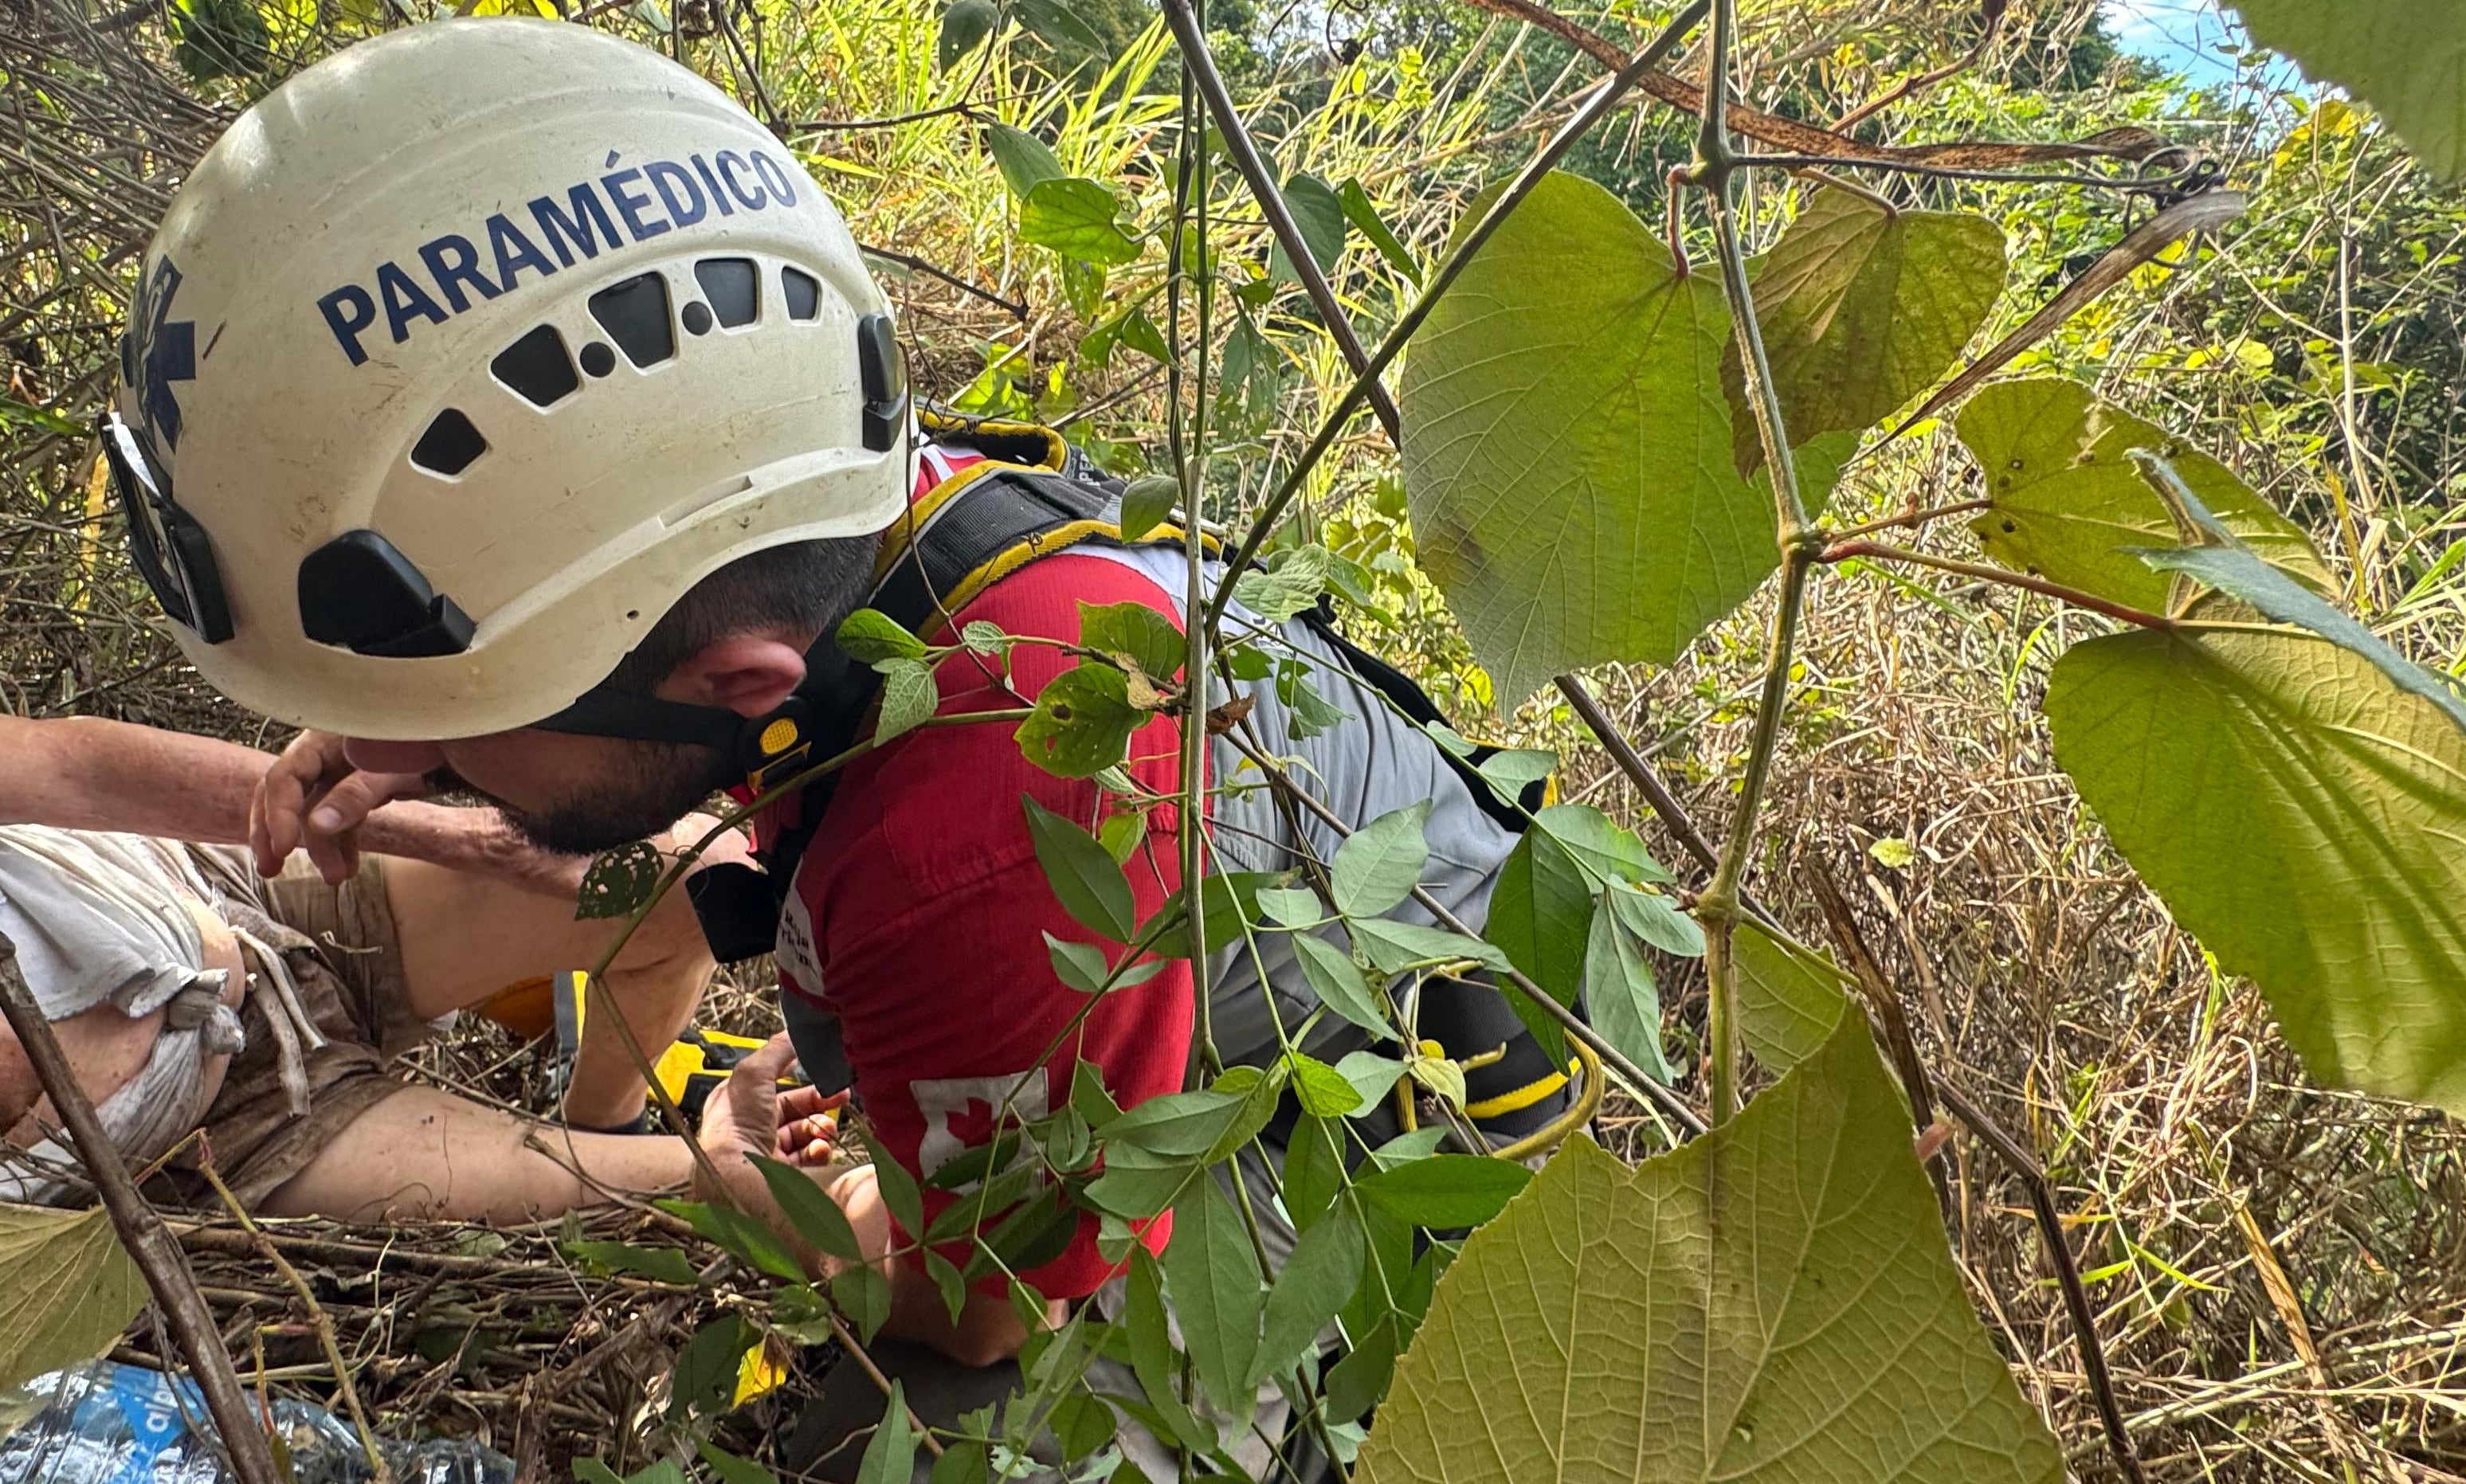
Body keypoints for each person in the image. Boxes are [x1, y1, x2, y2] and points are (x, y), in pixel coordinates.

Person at [108, 18, 1573, 1475]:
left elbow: (983, 1305)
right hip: (1162, 930)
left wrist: (774, 1200)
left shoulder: (975, 846)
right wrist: (434, 720)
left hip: (1360, 1086)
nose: (373, 747)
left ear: (729, 681)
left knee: (921, 1429)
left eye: (448, 713)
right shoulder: (812, 484)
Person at [0, 714, 724, 1221]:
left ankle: (604, 1114)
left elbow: (78, 769)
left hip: (226, 887)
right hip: (223, 1143)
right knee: (714, 1178)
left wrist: (478, 842)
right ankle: (623, 1153)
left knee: (707, 879)